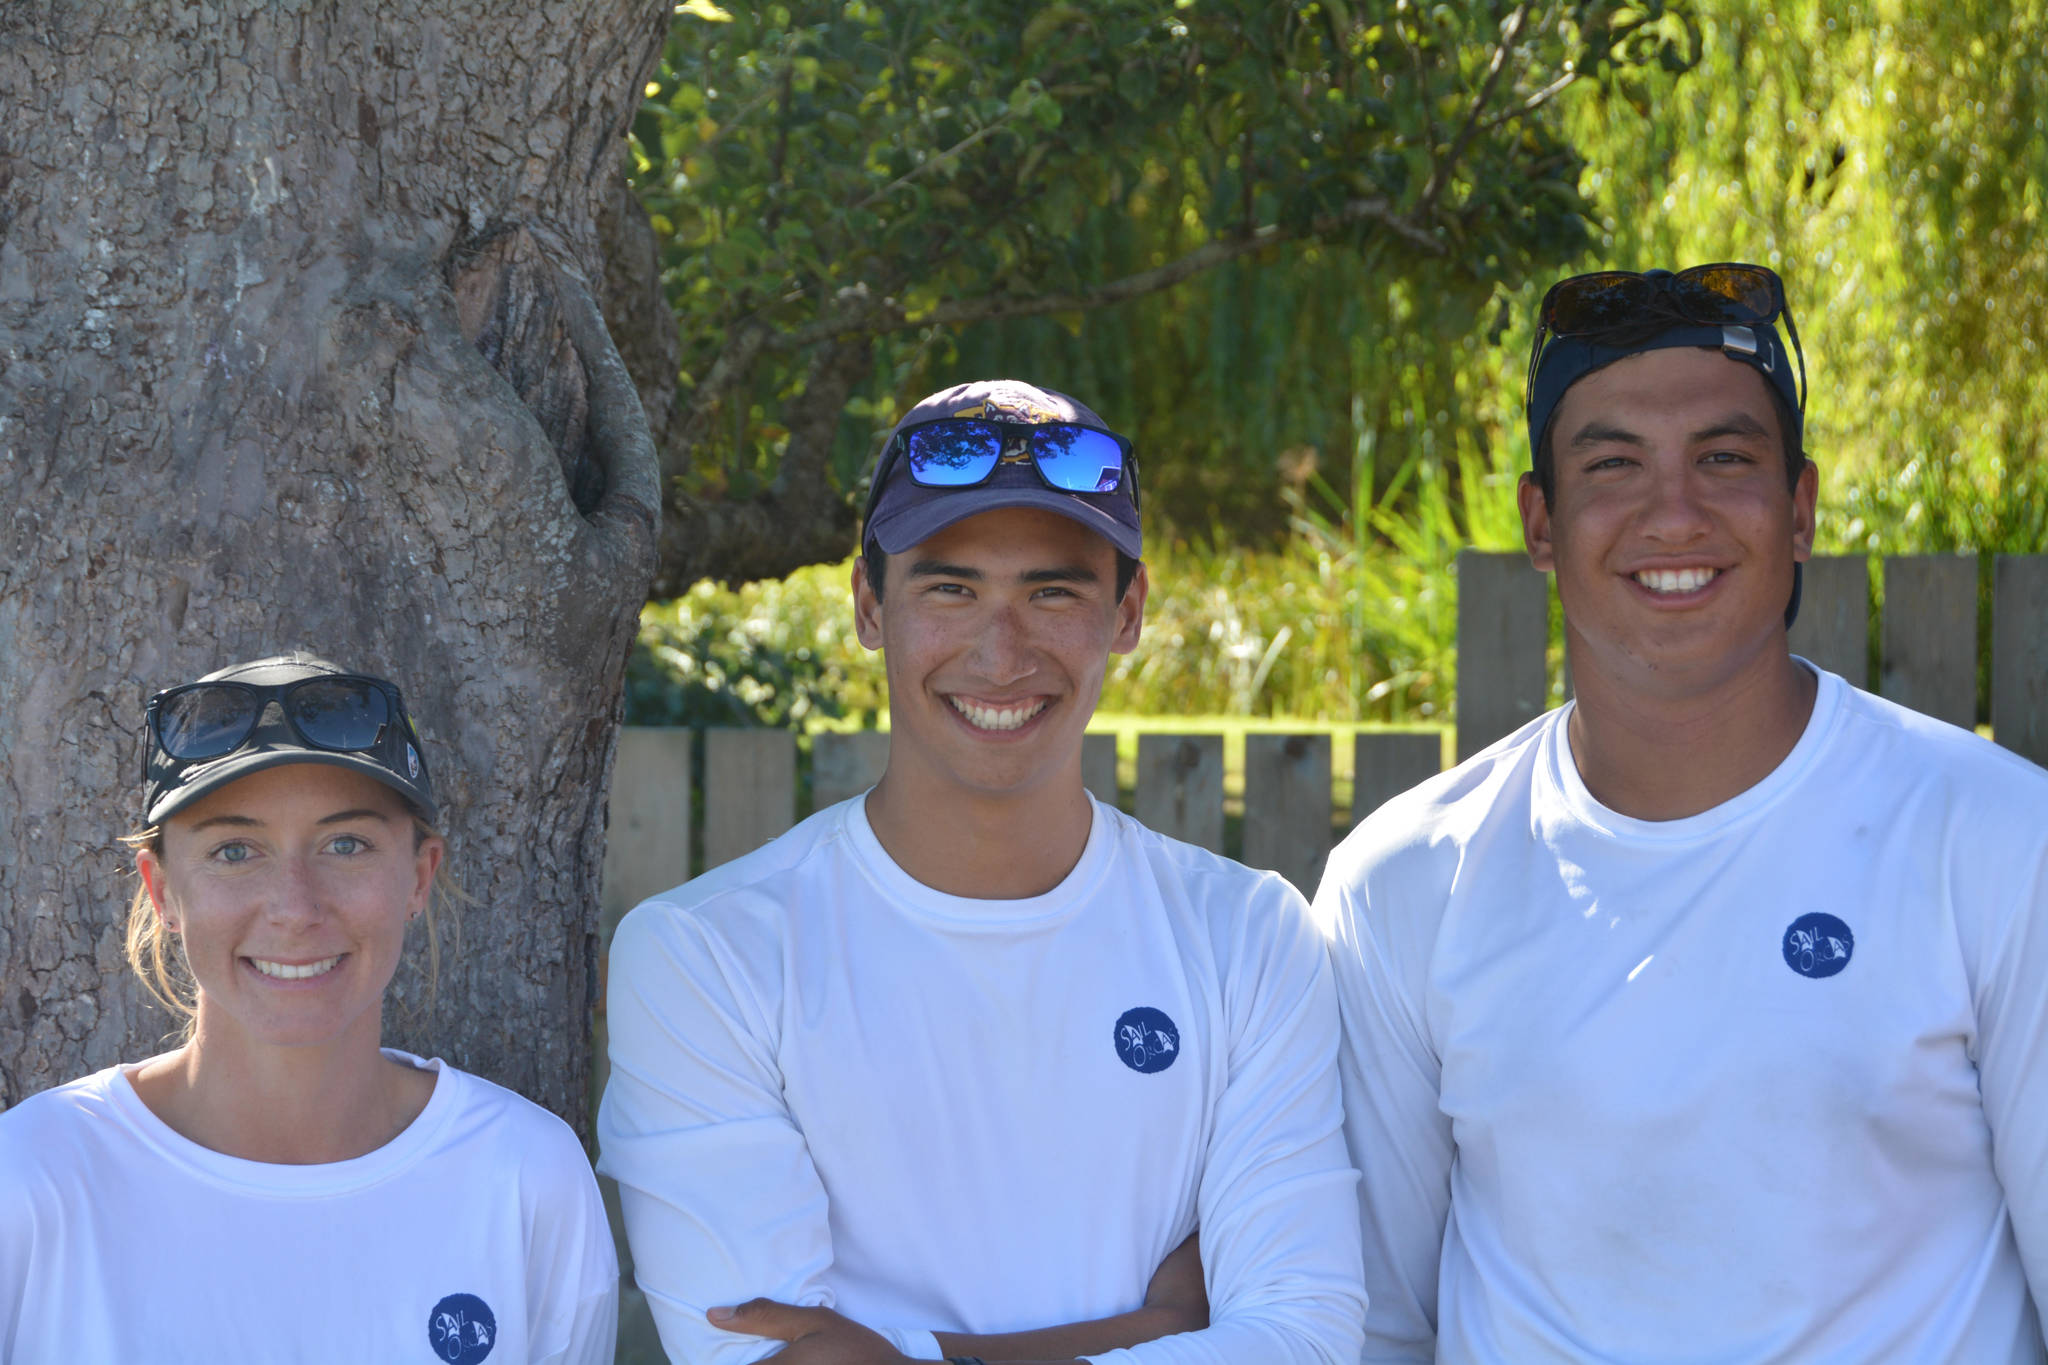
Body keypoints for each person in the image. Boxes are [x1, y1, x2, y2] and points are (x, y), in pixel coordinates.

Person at [1316, 263, 2048, 1362]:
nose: (1674, 514)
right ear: (1540, 522)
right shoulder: (1405, 882)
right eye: (1612, 465)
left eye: (1723, 459)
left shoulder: (1995, 839)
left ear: (1797, 509)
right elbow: (1372, 1326)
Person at [599, 379, 1366, 1365]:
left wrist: (896, 1353)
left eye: (1053, 591)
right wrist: (1160, 1329)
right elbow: (755, 1356)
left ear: (1125, 614)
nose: (1001, 654)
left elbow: (1304, 1342)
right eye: (949, 589)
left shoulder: (1247, 937)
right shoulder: (707, 955)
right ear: (871, 606)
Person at [0, 655, 618, 1364]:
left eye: (345, 844)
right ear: (162, 891)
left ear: (418, 876)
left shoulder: (526, 1178)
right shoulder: (31, 1181)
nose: (295, 907)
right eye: (235, 850)